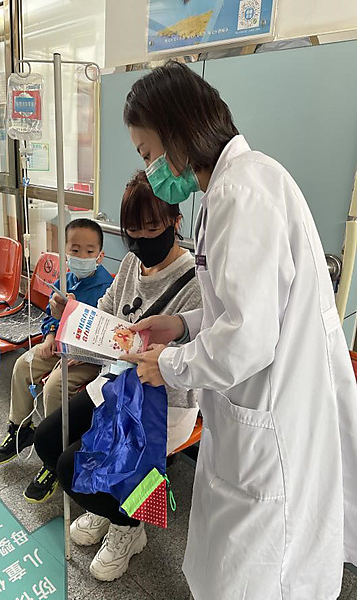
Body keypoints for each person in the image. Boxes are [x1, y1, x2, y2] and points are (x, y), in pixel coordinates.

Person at [122, 61, 357, 600]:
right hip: (251, 418)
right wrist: (181, 324)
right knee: (232, 565)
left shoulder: (240, 194)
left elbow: (249, 338)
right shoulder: (236, 185)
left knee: (255, 576)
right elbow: (240, 309)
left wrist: (169, 364)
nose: (151, 169)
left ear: (178, 132)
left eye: (148, 152)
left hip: (269, 427)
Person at [34, 170, 202, 582]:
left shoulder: (195, 283)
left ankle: (128, 526)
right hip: (114, 386)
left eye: (152, 229)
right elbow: (105, 317)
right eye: (132, 233)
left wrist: (159, 359)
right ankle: (107, 508)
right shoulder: (130, 264)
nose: (141, 242)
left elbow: (195, 364)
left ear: (176, 222)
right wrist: (70, 317)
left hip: (161, 405)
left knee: (73, 467)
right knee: (48, 441)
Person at [0, 218, 113, 503]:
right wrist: (48, 338)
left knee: (55, 385)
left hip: (88, 358)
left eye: (89, 251)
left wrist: (80, 352)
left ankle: (54, 453)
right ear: (65, 251)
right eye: (75, 250)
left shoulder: (107, 287)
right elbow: (50, 317)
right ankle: (20, 428)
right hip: (58, 346)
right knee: (24, 364)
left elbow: (106, 334)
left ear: (100, 255)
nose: (81, 256)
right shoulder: (63, 282)